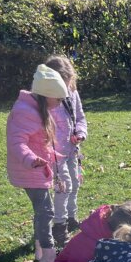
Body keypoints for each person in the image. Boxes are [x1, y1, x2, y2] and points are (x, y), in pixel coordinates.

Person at [6, 64, 69, 262]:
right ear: (46, 95)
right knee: (46, 212)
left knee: (42, 211)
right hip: (30, 170)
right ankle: (48, 257)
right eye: (58, 99)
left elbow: (41, 142)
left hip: (38, 169)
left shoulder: (38, 109)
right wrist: (31, 159)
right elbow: (17, 142)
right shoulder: (25, 112)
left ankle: (40, 251)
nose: (60, 103)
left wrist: (55, 158)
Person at [44, 55, 88, 247]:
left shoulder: (72, 92)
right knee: (64, 186)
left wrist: (80, 133)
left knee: (75, 183)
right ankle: (59, 226)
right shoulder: (45, 98)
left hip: (72, 149)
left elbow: (80, 117)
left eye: (69, 81)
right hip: (54, 152)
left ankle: (71, 217)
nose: (67, 86)